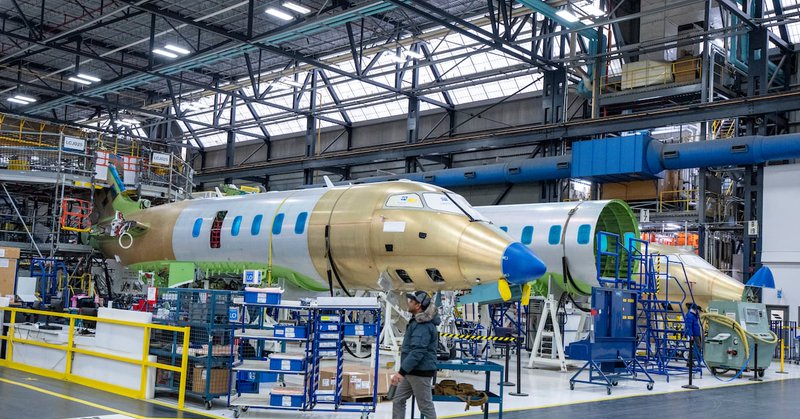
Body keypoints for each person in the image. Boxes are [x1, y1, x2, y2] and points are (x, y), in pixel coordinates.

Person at [391, 291, 440, 419]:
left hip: (420, 372)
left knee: (425, 406)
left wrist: (401, 372)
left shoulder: (423, 326)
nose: (408, 303)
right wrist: (404, 371)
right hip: (411, 371)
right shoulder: (417, 322)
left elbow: (418, 352)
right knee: (398, 400)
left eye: (411, 301)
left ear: (418, 306)